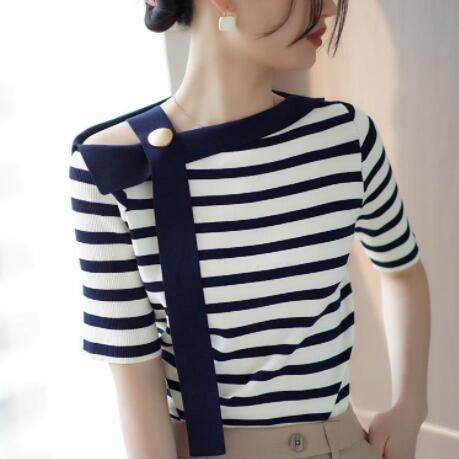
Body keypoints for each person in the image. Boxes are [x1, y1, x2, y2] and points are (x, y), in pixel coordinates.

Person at [68, 1, 430, 458]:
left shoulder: (346, 138)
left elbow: (402, 269)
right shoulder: (112, 168)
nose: (329, 9)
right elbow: (136, 376)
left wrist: (410, 407)